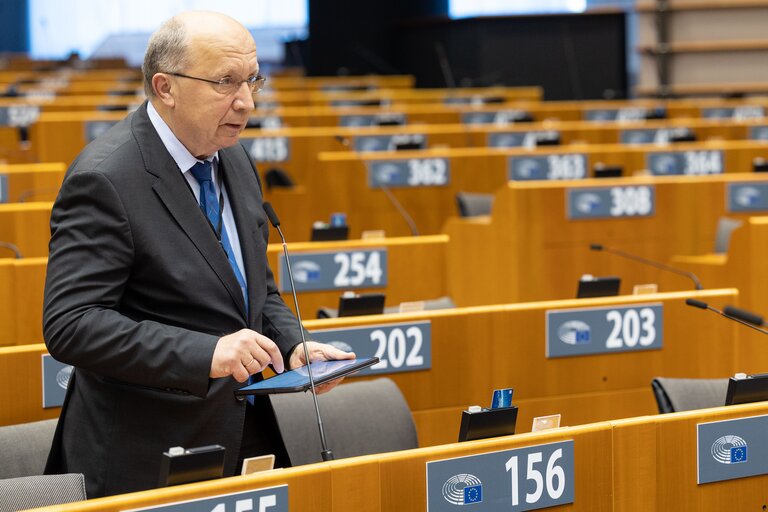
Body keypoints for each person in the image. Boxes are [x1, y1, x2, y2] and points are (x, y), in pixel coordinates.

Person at [43, 11, 353, 498]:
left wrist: (294, 345)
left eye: (252, 80)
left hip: (242, 437)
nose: (246, 102)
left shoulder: (232, 154)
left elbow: (252, 289)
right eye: (225, 82)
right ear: (165, 87)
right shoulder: (105, 179)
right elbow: (71, 324)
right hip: (145, 453)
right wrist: (206, 352)